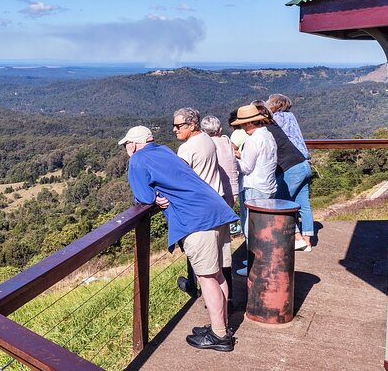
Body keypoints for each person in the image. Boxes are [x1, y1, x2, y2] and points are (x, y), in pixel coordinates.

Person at [119, 125, 238, 351]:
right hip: (216, 210)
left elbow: (143, 196)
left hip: (196, 219)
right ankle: (220, 325)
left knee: (207, 278)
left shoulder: (137, 160)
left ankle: (220, 336)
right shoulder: (164, 150)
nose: (126, 148)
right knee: (218, 274)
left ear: (133, 144)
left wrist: (152, 196)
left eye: (126, 145)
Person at [173, 108, 232, 305]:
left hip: (200, 212)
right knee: (219, 272)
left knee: (207, 275)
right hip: (218, 205)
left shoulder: (187, 148)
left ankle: (218, 325)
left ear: (192, 125)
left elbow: (177, 178)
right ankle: (225, 311)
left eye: (178, 125)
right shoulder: (208, 139)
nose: (174, 129)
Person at [230, 104, 279, 275]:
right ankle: (262, 260)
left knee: (251, 228)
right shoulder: (268, 135)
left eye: (243, 124)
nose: (242, 128)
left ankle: (256, 266)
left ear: (249, 124)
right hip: (267, 185)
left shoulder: (252, 140)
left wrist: (232, 159)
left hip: (253, 187)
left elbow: (246, 168)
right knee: (265, 227)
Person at [264, 96, 315, 251]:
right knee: (304, 204)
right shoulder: (291, 116)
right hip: (303, 161)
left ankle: (296, 238)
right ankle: (308, 241)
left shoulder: (275, 119)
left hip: (291, 165)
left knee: (281, 203)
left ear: (274, 104)